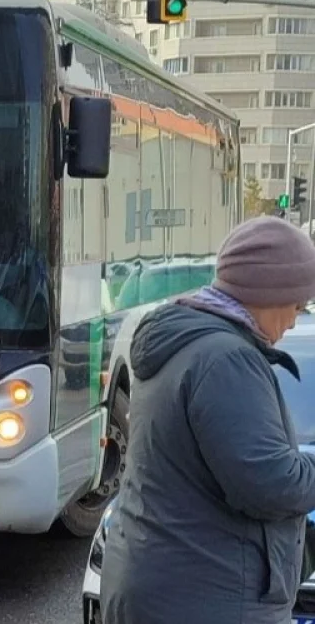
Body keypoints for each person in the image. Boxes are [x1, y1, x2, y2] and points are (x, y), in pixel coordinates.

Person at [101, 215, 315, 624]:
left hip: (166, 584)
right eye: (296, 304)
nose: (293, 321)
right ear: (268, 292)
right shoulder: (225, 359)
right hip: (208, 597)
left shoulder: (184, 343)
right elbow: (270, 484)